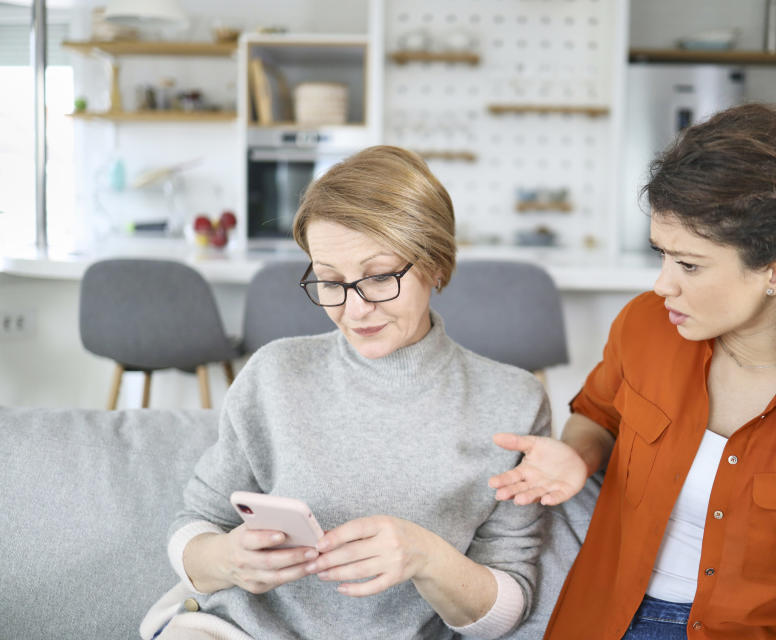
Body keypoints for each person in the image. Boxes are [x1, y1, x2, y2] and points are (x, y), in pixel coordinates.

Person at [489, 103, 776, 640]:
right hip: (604, 621)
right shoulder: (645, 326)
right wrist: (576, 456)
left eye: (689, 265)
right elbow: (597, 416)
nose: (662, 285)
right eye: (662, 255)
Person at [142, 146, 551, 640]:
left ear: (436, 265)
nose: (354, 310)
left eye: (379, 277)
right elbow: (194, 526)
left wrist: (426, 557)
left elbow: (506, 613)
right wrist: (228, 560)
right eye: (330, 281)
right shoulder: (274, 373)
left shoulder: (513, 403)